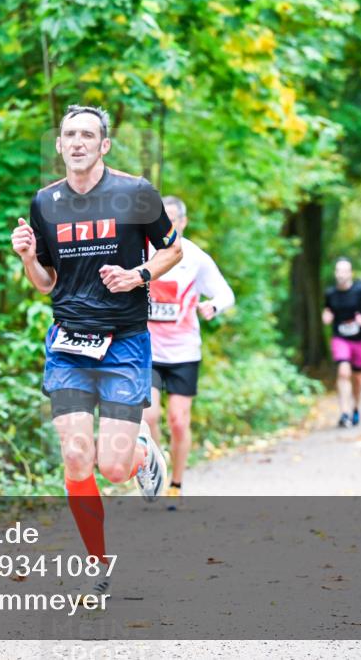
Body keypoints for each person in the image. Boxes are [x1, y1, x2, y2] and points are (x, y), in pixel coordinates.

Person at [10, 104, 182, 598]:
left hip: (125, 343)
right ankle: (97, 562)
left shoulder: (135, 193)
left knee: (112, 466)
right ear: (60, 145)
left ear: (104, 145)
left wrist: (139, 275)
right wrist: (27, 256)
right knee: (76, 456)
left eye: (89, 134)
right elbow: (45, 283)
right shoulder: (46, 203)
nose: (79, 142)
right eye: (70, 134)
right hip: (68, 344)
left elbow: (174, 249)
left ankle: (143, 450)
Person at [142, 196, 234, 509]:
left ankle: (176, 484)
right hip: (149, 350)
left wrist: (214, 305)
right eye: (160, 220)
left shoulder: (195, 256)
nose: (165, 226)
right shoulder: (142, 251)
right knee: (148, 415)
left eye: (171, 220)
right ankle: (157, 467)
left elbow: (225, 293)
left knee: (179, 421)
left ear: (182, 222)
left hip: (183, 352)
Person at [322, 258, 361, 427]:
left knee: (357, 376)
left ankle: (355, 408)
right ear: (335, 273)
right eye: (338, 271)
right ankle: (344, 412)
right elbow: (327, 309)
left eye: (344, 271)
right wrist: (326, 315)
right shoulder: (330, 293)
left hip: (359, 339)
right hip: (340, 338)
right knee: (343, 372)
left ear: (350, 273)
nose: (341, 274)